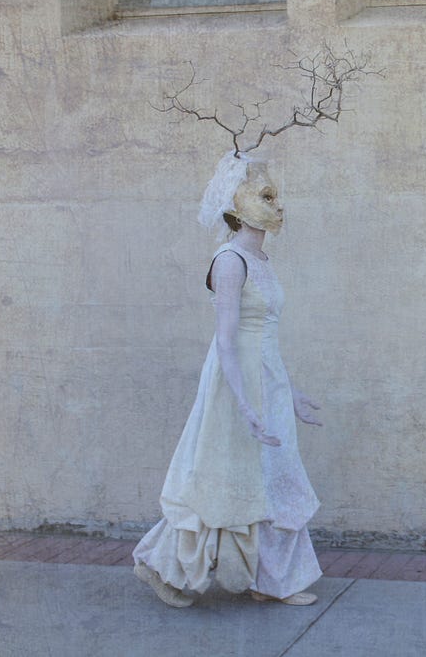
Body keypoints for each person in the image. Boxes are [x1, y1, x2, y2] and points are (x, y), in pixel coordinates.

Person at [133, 152, 323, 608]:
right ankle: (163, 567)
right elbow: (227, 341)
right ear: (237, 203)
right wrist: (242, 405)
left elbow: (267, 340)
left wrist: (290, 393)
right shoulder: (230, 260)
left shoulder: (262, 260)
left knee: (274, 478)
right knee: (227, 478)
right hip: (236, 385)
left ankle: (270, 581)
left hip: (267, 382)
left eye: (278, 197)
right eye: (265, 196)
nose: (278, 206)